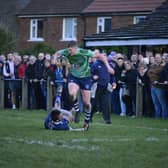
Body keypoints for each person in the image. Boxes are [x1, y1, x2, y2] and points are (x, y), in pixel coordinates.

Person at [55, 41, 114, 130]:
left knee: (87, 103)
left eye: (71, 50)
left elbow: (101, 56)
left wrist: (108, 67)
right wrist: (55, 60)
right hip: (73, 76)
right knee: (71, 93)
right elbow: (57, 53)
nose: (69, 52)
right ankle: (77, 110)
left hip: (85, 78)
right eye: (68, 50)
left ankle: (86, 121)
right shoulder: (66, 52)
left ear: (76, 49)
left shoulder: (84, 52)